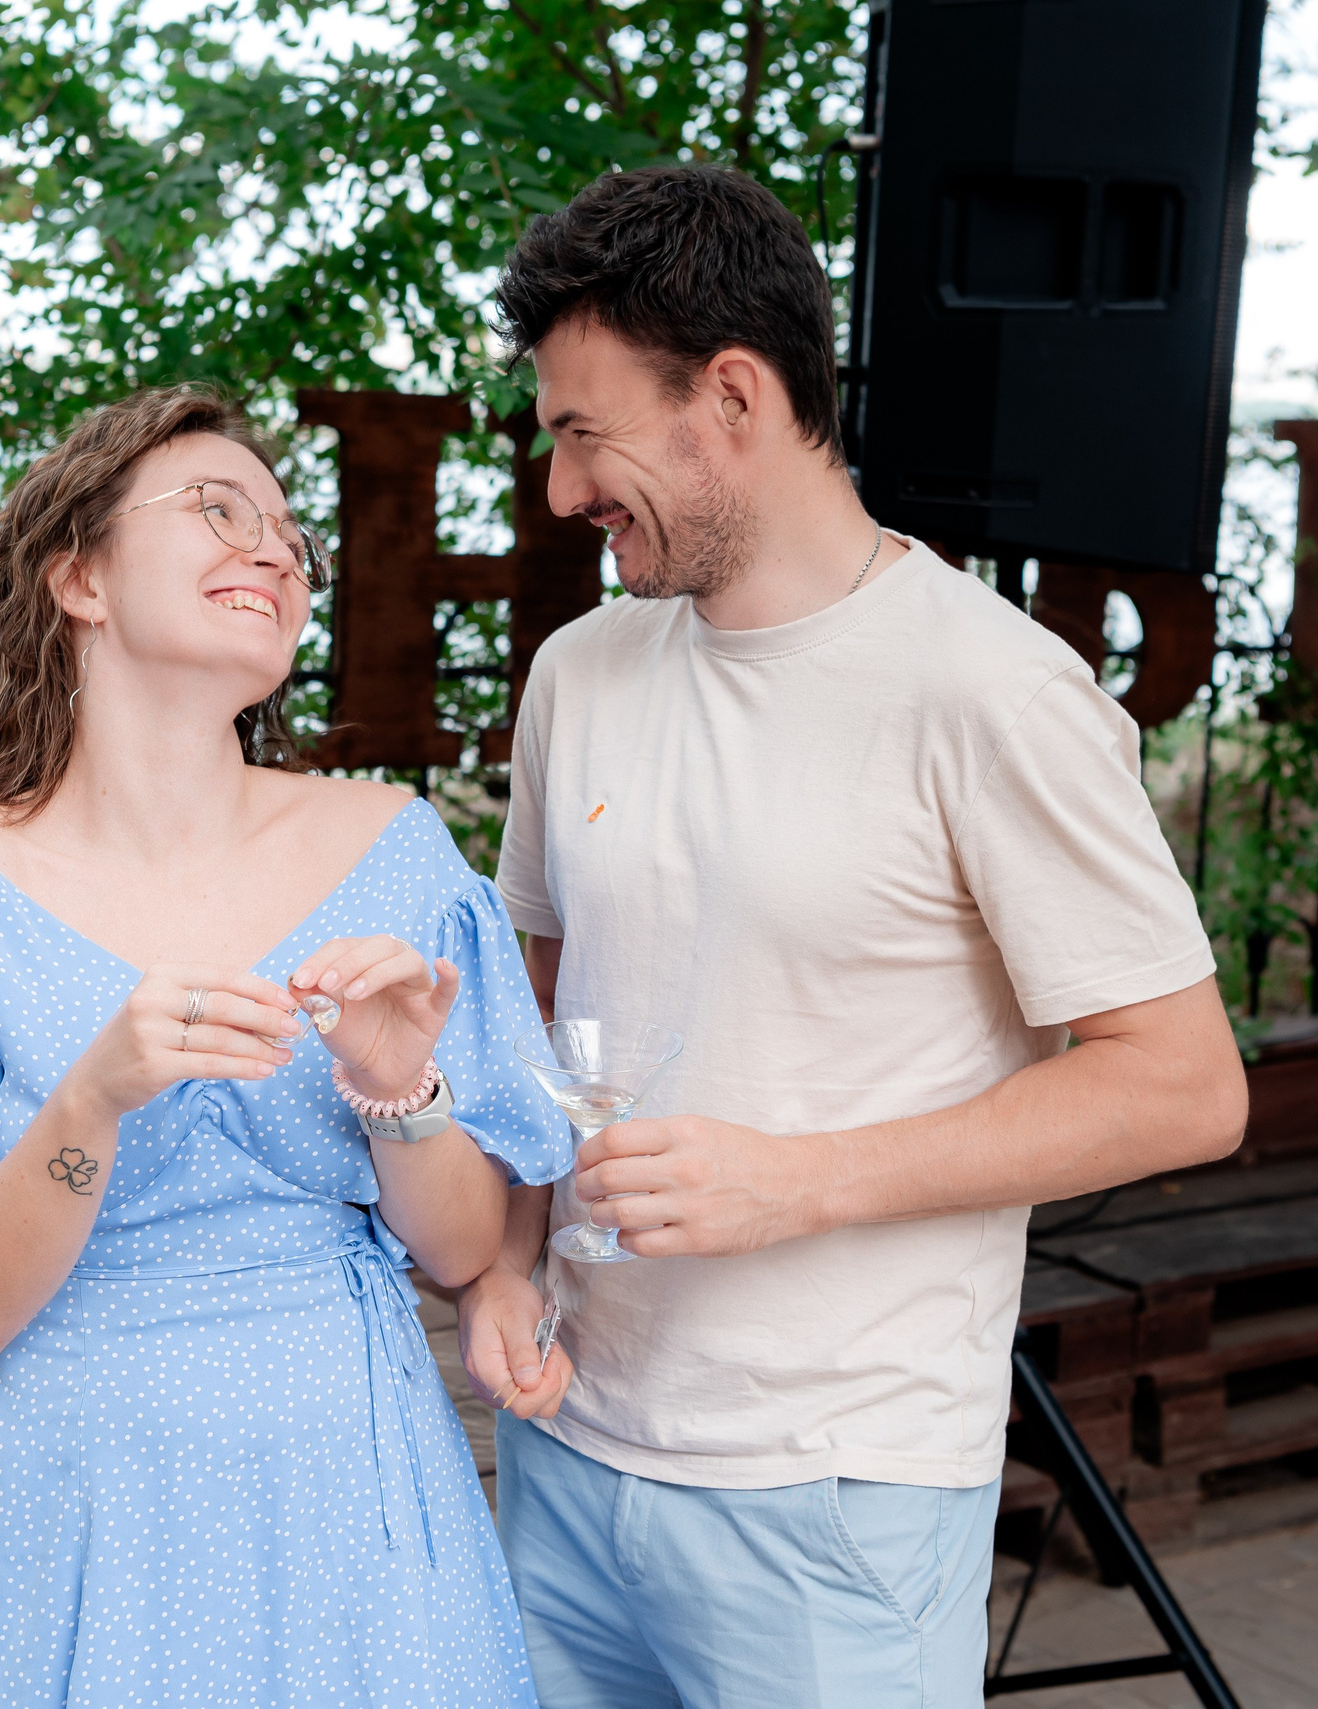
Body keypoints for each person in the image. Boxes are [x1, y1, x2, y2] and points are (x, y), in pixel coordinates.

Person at [457, 166, 1250, 1708]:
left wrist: (801, 1179)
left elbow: (1184, 1084)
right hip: (561, 1445)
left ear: (733, 399)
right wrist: (497, 1264)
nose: (560, 490)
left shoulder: (993, 691)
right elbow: (534, 1006)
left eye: (582, 433)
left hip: (835, 1495)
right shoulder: (582, 672)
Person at [0, 385, 572, 1707]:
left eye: (288, 536)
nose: (273, 547)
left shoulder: (391, 845)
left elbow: (466, 1247)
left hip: (348, 1509)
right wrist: (91, 1099)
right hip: (70, 1511)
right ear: (76, 573)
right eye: (217, 507)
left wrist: (396, 1089)